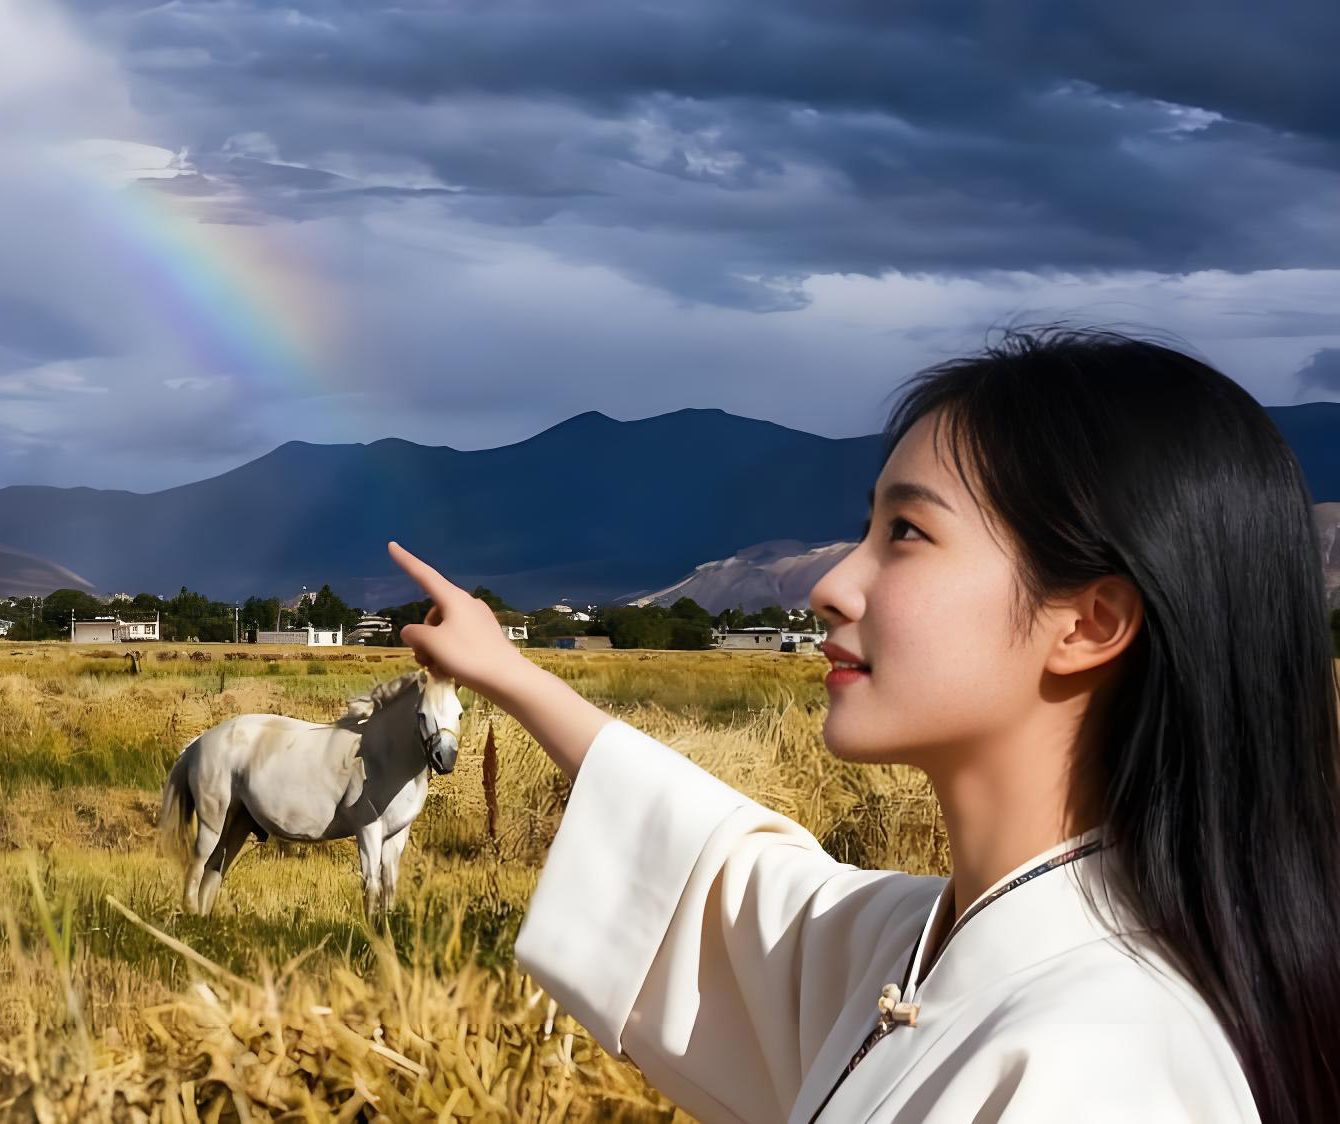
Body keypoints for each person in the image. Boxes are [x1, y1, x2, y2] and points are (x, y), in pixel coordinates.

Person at [388, 327, 1340, 1123]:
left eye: (907, 534)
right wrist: (509, 674)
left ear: (1088, 623)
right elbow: (729, 878)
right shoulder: (933, 954)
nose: (829, 584)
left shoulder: (1101, 1068)